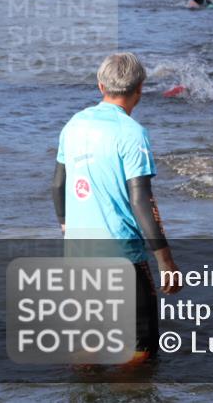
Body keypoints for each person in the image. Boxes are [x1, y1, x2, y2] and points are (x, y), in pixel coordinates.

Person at [53, 52, 182, 363]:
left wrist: (66, 224)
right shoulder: (132, 134)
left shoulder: (74, 124)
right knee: (143, 346)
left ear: (101, 86)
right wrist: (166, 262)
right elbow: (142, 201)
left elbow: (58, 185)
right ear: (139, 89)